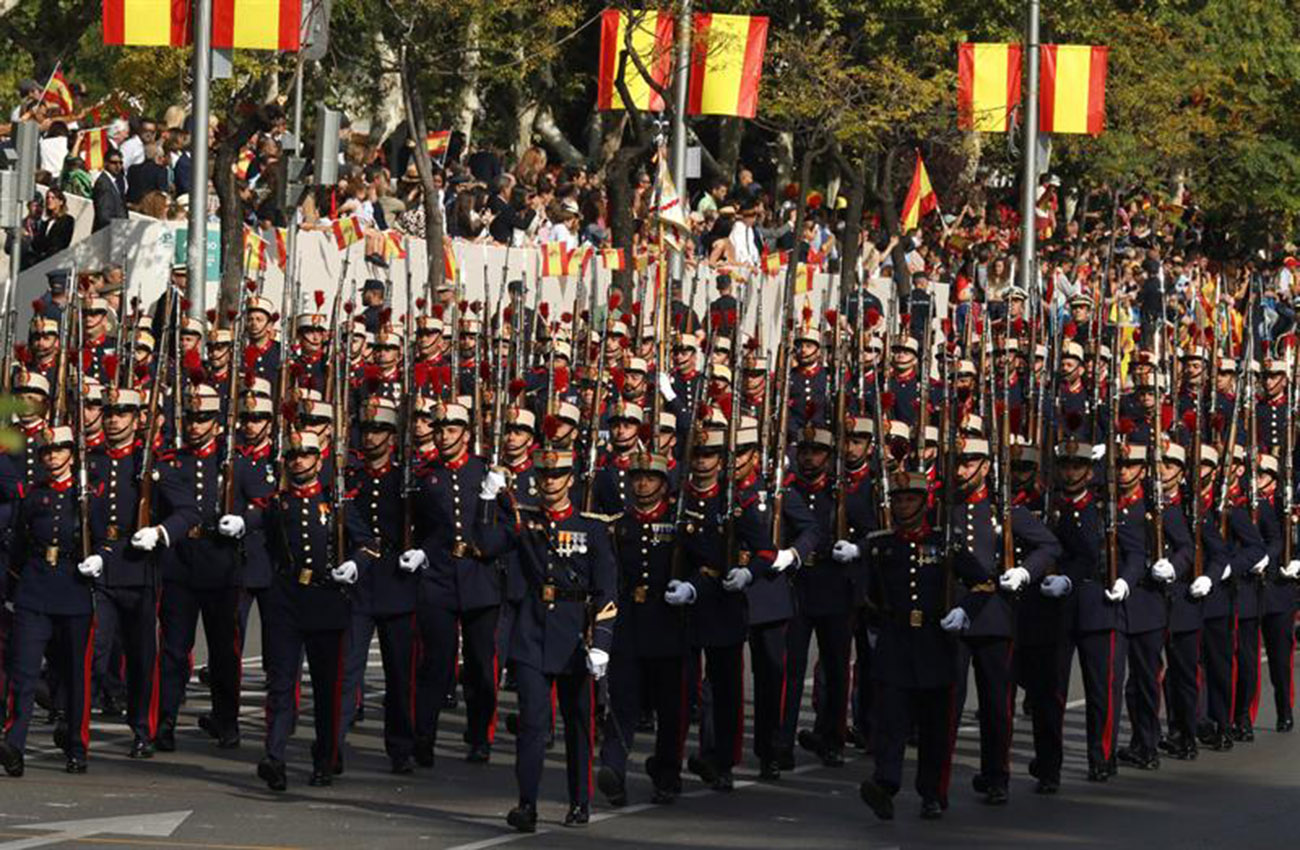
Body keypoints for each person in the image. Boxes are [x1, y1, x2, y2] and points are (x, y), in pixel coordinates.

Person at [474, 448, 617, 831]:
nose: (549, 482)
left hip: (575, 635)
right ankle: (527, 805)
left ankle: (580, 800)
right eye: (544, 475)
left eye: (557, 476)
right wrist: (487, 499)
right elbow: (486, 546)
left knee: (578, 724)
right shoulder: (525, 522)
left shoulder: (593, 528)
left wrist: (601, 641)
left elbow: (606, 590)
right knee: (533, 724)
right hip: (533, 632)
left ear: (571, 479)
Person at [257, 431, 375, 791]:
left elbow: (369, 545)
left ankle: (326, 756)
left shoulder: (336, 503)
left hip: (326, 599)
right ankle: (274, 757)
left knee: (327, 687)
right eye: (292, 455)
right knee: (280, 683)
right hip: (287, 600)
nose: (299, 461)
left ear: (319, 460)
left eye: (307, 454)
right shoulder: (277, 504)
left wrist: (354, 565)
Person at [0, 426, 106, 777]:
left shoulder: (88, 495)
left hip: (74, 589)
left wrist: (101, 559)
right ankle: (14, 744)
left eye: (60, 449)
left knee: (76, 675)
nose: (52, 456)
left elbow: (105, 536)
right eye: (47, 451)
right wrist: (15, 591)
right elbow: (17, 546)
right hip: (35, 589)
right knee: (24, 672)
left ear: (72, 455)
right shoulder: (33, 497)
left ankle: (77, 746)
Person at [27, 187, 74, 266]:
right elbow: (37, 245)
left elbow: (59, 244)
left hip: (55, 262)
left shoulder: (67, 220)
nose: (49, 200)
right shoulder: (46, 222)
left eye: (53, 198)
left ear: (60, 202)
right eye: (48, 197)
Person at [92, 150, 129, 232]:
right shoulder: (103, 183)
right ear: (105, 163)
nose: (118, 166)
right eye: (114, 163)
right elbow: (104, 215)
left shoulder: (118, 182)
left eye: (120, 163)